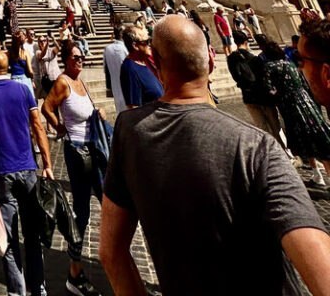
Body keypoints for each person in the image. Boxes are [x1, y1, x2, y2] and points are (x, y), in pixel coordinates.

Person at [99, 16, 330, 296]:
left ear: (157, 67)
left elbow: (111, 253)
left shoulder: (128, 131)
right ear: (211, 60)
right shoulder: (255, 145)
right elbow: (318, 261)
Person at [0, 50, 53, 296]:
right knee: (33, 233)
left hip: (1, 170)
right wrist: (47, 162)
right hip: (28, 166)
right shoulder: (23, 90)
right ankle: (38, 285)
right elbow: (38, 126)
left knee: (6, 237)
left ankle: (17, 291)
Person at [42, 39, 105, 296]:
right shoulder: (63, 82)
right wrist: (59, 128)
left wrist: (97, 112)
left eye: (82, 57)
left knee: (108, 203)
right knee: (82, 211)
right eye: (76, 57)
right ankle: (75, 270)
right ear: (66, 59)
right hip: (77, 153)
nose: (80, 60)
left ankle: (104, 259)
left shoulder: (81, 83)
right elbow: (46, 107)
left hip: (94, 150)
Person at [259, 35, 330, 187]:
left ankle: (317, 173)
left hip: (290, 105)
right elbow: (304, 82)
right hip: (306, 101)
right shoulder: (290, 64)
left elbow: (269, 90)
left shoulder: (269, 68)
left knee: (303, 138)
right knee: (318, 134)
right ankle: (325, 169)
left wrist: (278, 95)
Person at [226, 29, 284, 146]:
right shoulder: (255, 58)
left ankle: (271, 152)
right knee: (275, 126)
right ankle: (285, 152)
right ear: (246, 41)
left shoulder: (231, 59)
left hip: (248, 96)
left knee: (262, 127)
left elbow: (235, 77)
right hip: (264, 96)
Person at [120, 28, 163, 108]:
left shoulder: (146, 62)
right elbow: (133, 107)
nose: (150, 44)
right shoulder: (130, 69)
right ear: (135, 46)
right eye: (147, 42)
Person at [103, 26, 128, 114]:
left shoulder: (107, 49)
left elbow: (105, 69)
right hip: (127, 85)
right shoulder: (126, 48)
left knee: (120, 111)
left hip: (115, 85)